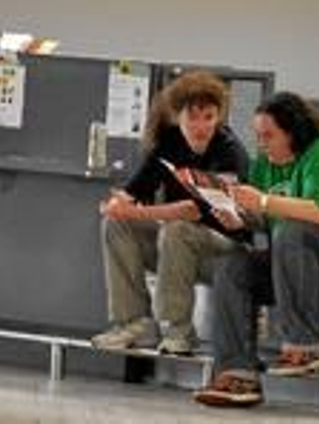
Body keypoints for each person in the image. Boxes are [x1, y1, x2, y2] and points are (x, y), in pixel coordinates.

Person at [194, 92, 319, 408]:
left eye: (269, 135)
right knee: (233, 266)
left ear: (294, 132)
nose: (262, 143)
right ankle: (236, 374)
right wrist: (240, 219)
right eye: (258, 136)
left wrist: (262, 201)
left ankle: (306, 344)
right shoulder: (266, 165)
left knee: (292, 230)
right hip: (299, 260)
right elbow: (266, 222)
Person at [92, 71, 250, 356]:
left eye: (209, 117)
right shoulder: (169, 143)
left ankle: (178, 331)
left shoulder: (230, 151)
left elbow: (193, 210)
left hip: (225, 252)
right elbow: (132, 192)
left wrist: (135, 211)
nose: (201, 126)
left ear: (219, 117)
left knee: (177, 228)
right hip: (175, 246)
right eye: (193, 117)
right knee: (116, 224)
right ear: (178, 116)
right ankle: (134, 323)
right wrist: (117, 206)